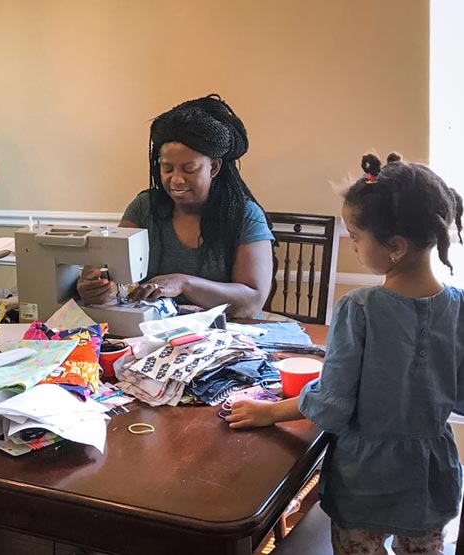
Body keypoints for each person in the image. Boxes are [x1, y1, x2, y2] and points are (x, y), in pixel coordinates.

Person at [227, 154, 464, 554]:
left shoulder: (360, 309)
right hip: (431, 475)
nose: (352, 247)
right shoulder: (458, 305)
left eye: (355, 237)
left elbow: (332, 405)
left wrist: (269, 411)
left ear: (395, 247)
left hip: (366, 479)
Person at [76, 94, 273, 318]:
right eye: (167, 169)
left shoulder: (245, 216)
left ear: (214, 167)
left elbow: (252, 303)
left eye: (189, 169)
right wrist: (94, 287)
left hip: (227, 337)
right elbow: (109, 268)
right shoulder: (144, 208)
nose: (176, 179)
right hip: (157, 335)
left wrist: (184, 283)